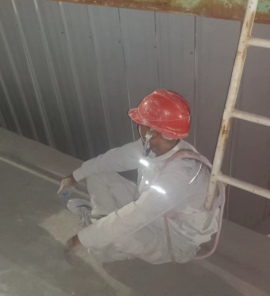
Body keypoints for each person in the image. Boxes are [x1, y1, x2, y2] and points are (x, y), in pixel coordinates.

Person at [60, 89, 224, 264]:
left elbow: (136, 215)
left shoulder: (182, 175)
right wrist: (74, 176)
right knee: (98, 173)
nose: (138, 127)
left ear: (153, 132)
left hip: (174, 240)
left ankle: (111, 242)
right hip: (157, 214)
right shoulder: (154, 146)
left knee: (118, 231)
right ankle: (100, 222)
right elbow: (113, 159)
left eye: (141, 123)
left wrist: (80, 239)